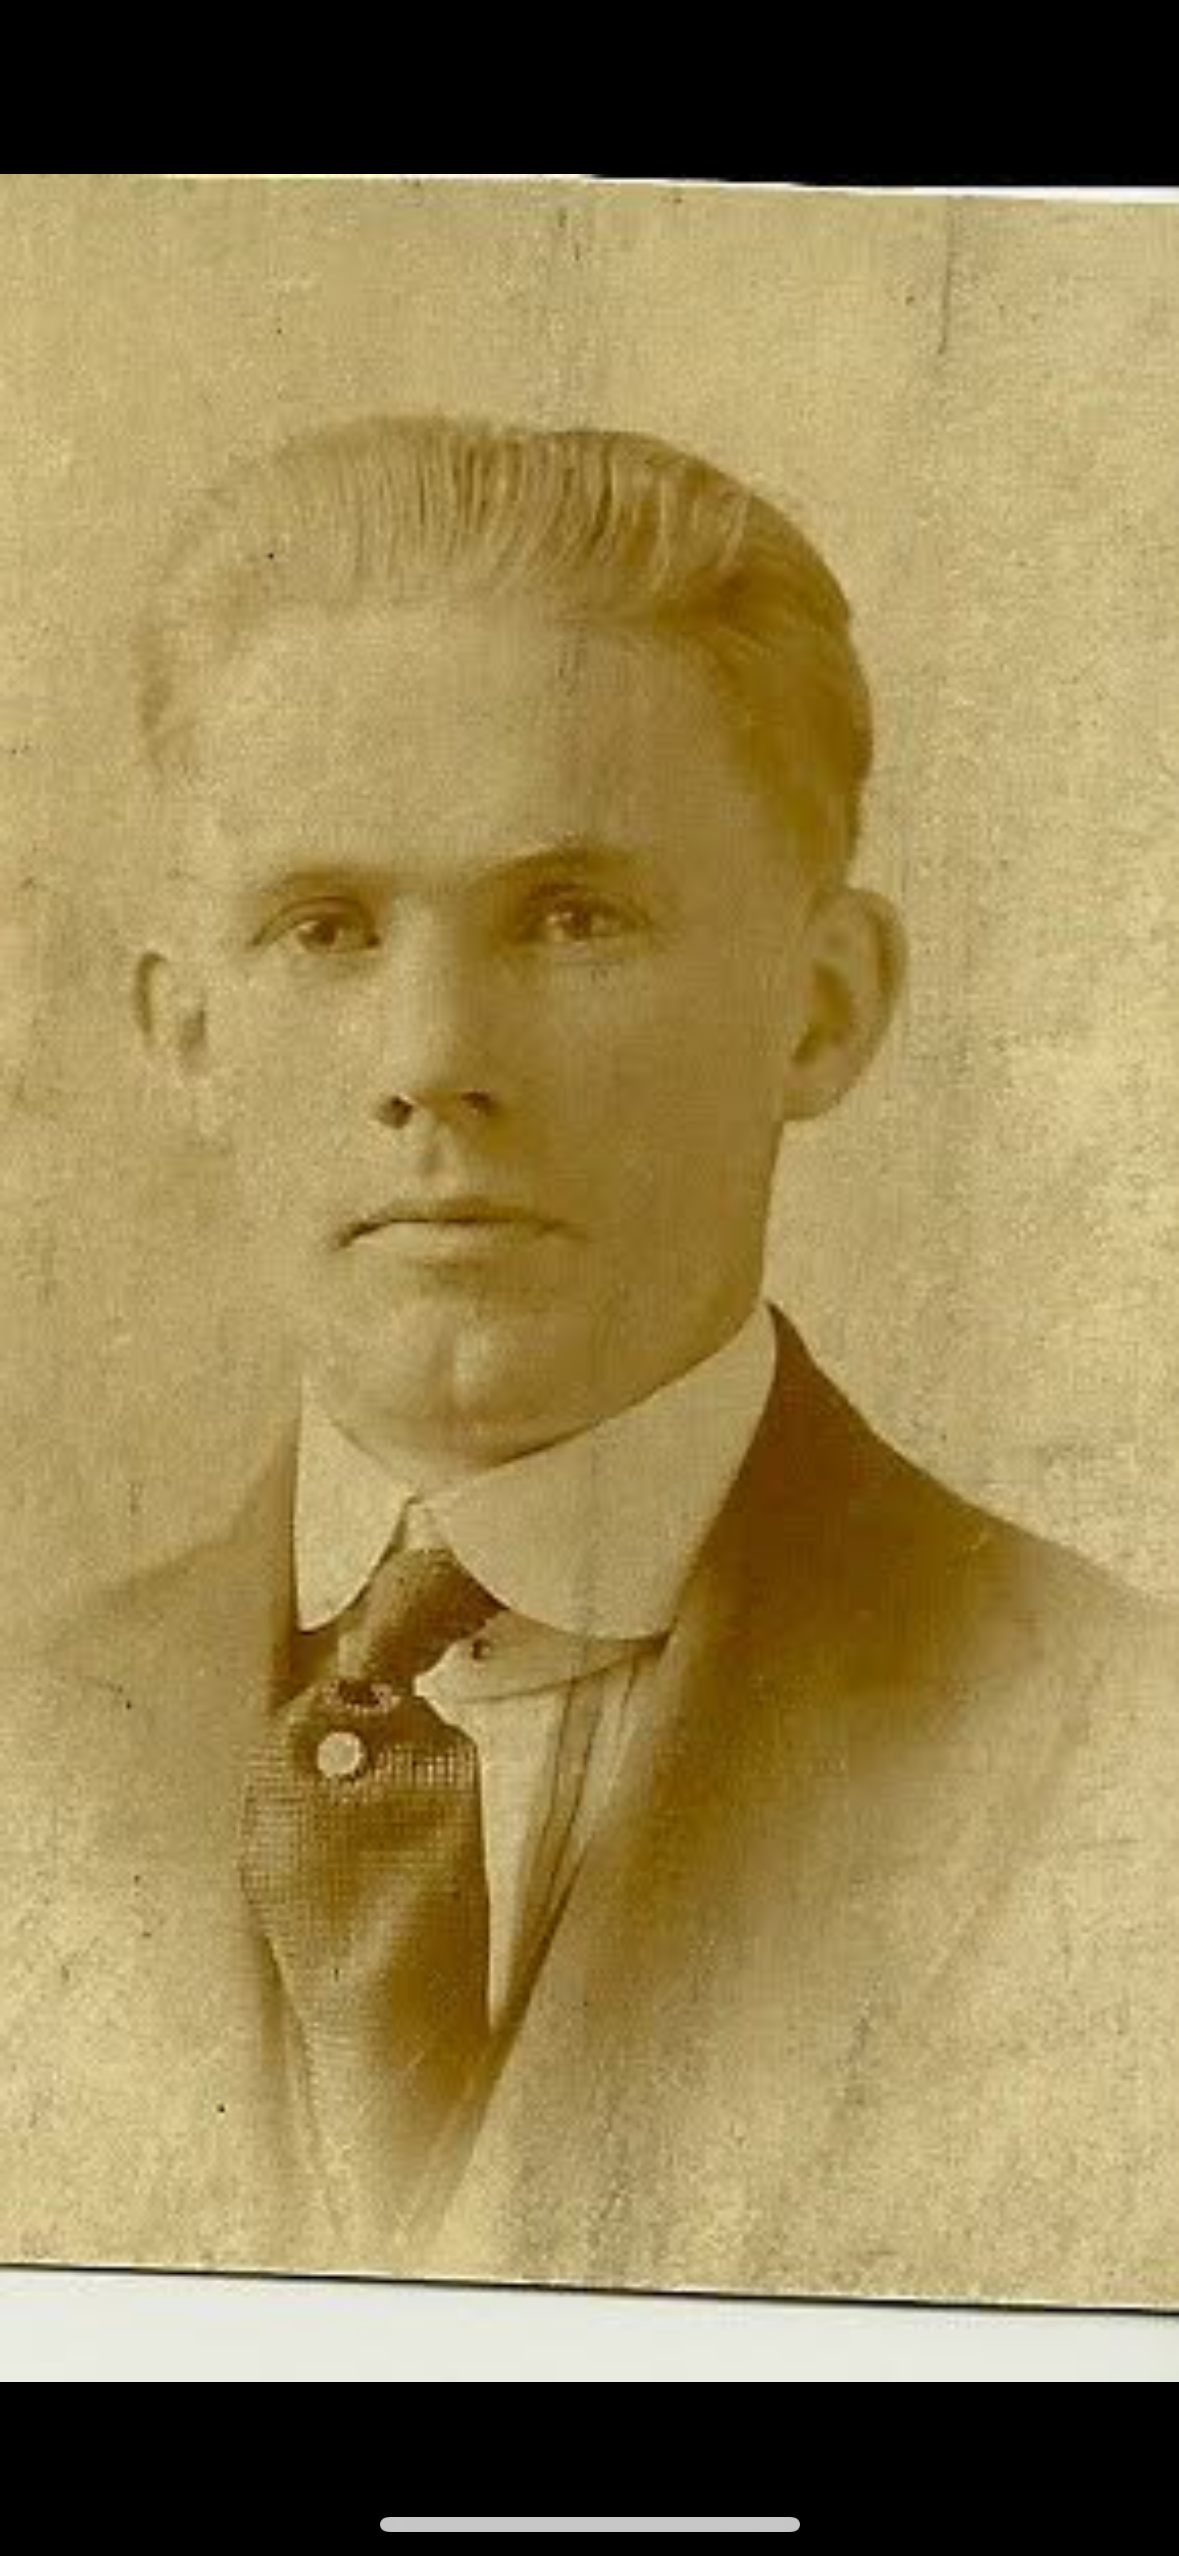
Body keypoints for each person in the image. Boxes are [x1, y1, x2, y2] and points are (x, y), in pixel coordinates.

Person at [5, 415, 1178, 2304]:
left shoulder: (1119, 1762)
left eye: (570, 918)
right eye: (324, 928)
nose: (430, 1059)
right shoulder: (32, 1753)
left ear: (822, 1009)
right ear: (187, 1034)